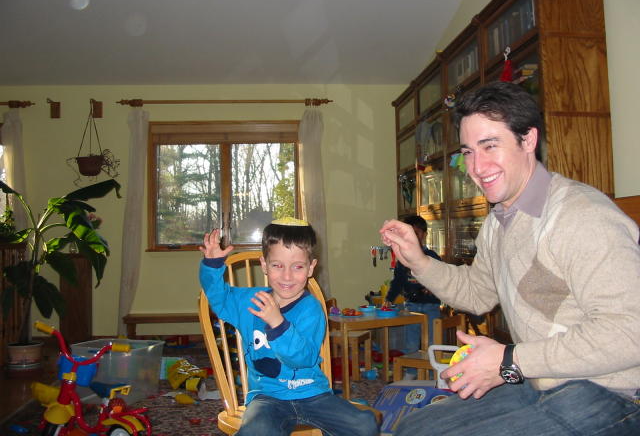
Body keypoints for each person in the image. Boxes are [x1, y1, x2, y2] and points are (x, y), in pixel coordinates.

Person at [380, 81, 640, 435]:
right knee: (414, 428)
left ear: (528, 140)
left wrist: (507, 360)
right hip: (540, 380)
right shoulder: (499, 221)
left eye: (490, 145)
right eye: (468, 151)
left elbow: (629, 332)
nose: (476, 166)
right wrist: (418, 261)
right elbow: (477, 293)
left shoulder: (582, 216)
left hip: (611, 393)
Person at [199, 218, 378, 436]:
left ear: (311, 268)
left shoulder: (311, 309)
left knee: (364, 425)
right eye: (277, 265)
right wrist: (212, 265)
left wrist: (278, 324)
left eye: (298, 266)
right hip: (267, 397)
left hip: (313, 394)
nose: (287, 276)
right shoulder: (250, 302)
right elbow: (219, 297)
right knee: (257, 430)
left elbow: (302, 359)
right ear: (264, 264)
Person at [385, 215, 442, 355]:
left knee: (433, 341)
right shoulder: (403, 258)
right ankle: (411, 365)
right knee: (410, 342)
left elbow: (441, 275)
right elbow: (398, 281)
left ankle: (433, 367)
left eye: (417, 233)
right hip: (411, 305)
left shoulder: (432, 255)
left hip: (431, 305)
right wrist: (389, 299)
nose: (414, 237)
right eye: (411, 233)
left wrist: (433, 286)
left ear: (425, 235)